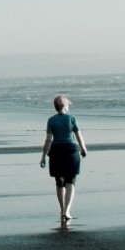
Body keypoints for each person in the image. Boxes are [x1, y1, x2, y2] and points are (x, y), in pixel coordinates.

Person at [39, 94, 88, 225]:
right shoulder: (72, 118)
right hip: (71, 150)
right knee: (70, 181)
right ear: (65, 106)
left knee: (59, 181)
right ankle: (67, 210)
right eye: (68, 105)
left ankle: (62, 209)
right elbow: (78, 135)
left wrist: (43, 156)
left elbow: (48, 139)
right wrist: (83, 149)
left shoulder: (51, 120)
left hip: (56, 151)